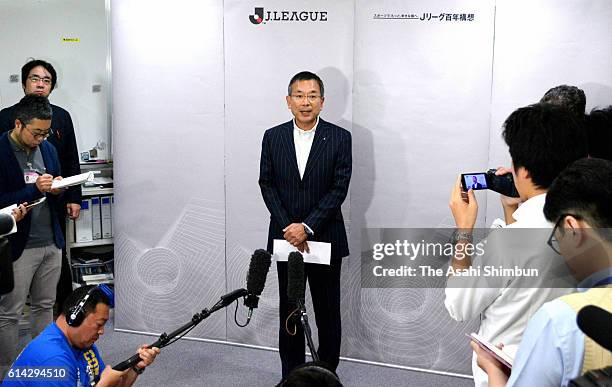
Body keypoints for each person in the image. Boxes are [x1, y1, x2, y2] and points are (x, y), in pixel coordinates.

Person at [446, 103, 589, 387]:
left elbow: (457, 305)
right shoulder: (591, 226)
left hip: (506, 373)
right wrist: (512, 211)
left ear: (523, 171)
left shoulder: (507, 243)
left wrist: (464, 230)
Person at [472, 157, 612, 387]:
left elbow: (458, 306)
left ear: (572, 229)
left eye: (557, 241)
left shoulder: (560, 321)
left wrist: (493, 370)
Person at [259, 71, 352, 378]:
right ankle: (292, 376)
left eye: (312, 96)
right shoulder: (273, 137)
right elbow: (267, 184)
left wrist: (307, 227)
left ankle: (326, 376)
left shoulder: (340, 138)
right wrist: (290, 226)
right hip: (287, 239)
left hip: (324, 237)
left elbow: (339, 188)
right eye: (299, 95)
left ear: (322, 102)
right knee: (290, 311)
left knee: (327, 314)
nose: (305, 102)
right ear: (288, 101)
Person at [0, 59, 82, 310]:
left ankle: (62, 318)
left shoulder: (61, 118)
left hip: (52, 209)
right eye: (35, 79)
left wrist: (72, 196)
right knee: (11, 302)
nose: (40, 84)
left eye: (46, 81)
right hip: (14, 209)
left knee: (50, 290)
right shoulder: (6, 118)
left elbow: (71, 158)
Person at [0, 95, 66, 375]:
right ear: (18, 124)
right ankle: (8, 371)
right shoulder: (1, 151)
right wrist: (35, 190)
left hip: (51, 240)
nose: (41, 138)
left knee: (45, 307)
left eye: (45, 132)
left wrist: (60, 187)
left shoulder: (48, 149)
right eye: (36, 132)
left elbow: (55, 181)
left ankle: (41, 368)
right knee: (9, 313)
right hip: (17, 245)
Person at [2, 285, 160, 386]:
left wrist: (136, 368)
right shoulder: (53, 360)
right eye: (99, 324)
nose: (102, 331)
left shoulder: (83, 345)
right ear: (74, 317)